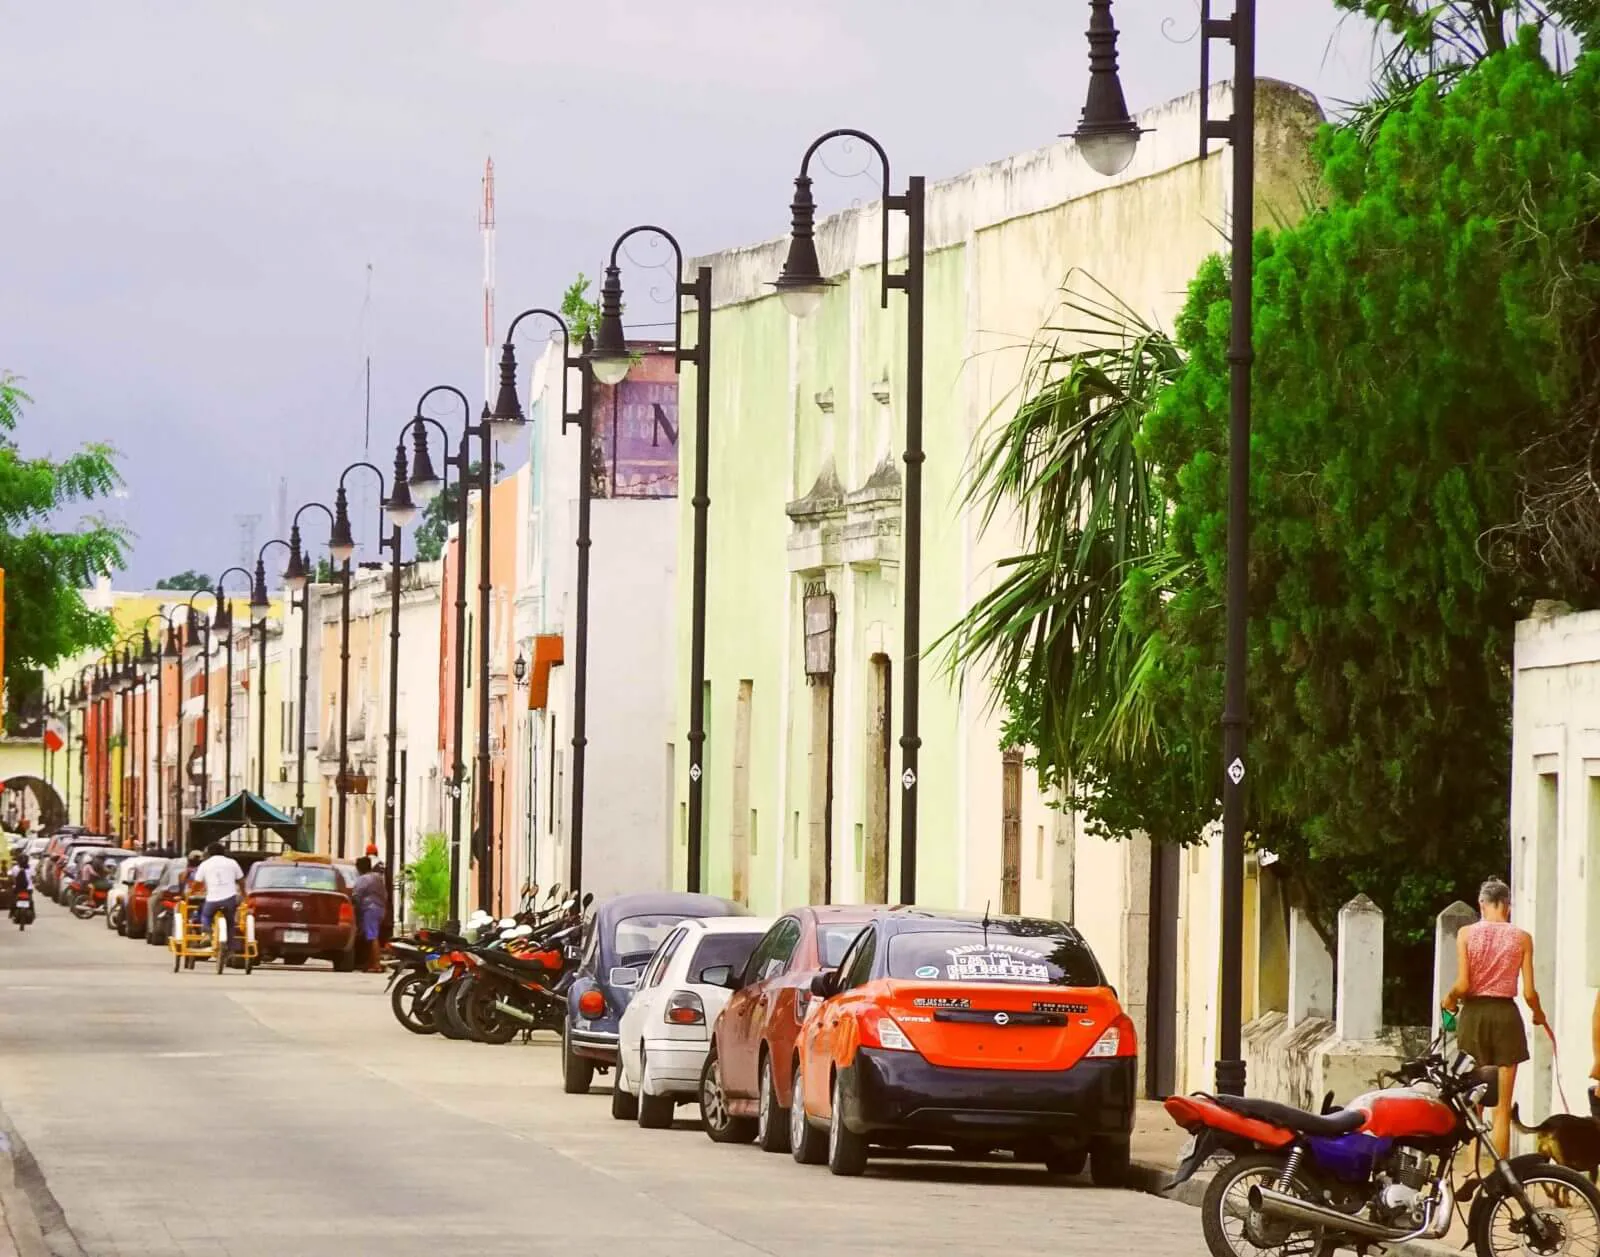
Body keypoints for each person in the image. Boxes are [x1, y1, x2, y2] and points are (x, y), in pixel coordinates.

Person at [1443, 876, 1545, 1159]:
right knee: (1502, 1105)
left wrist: (1449, 1000)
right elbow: (1529, 993)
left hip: (1474, 1016)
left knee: (1475, 1103)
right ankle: (1500, 1179)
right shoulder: (1522, 938)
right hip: (1506, 1016)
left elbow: (1463, 985)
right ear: (1507, 906)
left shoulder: (1466, 934)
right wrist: (1538, 1015)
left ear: (1481, 904)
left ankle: (1472, 1176)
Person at [192, 842, 245, 954]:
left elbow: (197, 882)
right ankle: (231, 947)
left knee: (206, 916)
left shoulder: (205, 864)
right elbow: (241, 880)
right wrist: (244, 894)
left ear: (209, 853)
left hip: (212, 900)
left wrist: (191, 892)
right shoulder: (232, 863)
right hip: (230, 899)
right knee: (230, 922)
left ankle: (207, 933)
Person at [350, 856, 386, 973]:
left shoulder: (362, 879)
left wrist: (354, 906)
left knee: (372, 936)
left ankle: (376, 964)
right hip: (380, 909)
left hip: (369, 909)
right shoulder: (378, 878)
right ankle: (371, 963)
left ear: (359, 868)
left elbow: (356, 896)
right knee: (372, 936)